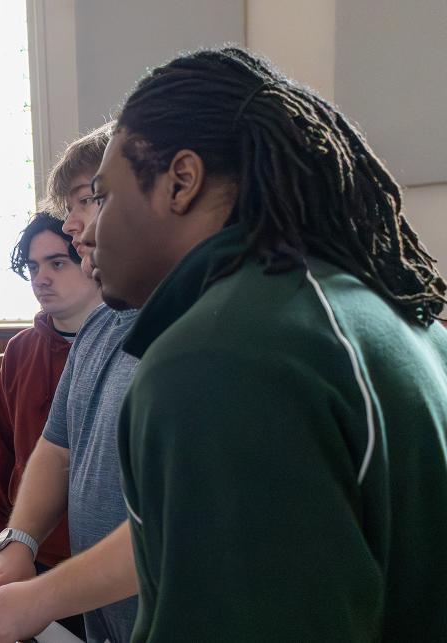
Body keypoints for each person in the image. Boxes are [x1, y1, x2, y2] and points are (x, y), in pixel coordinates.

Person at [89, 46, 447, 640]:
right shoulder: (391, 309)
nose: (88, 230)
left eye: (103, 196)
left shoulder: (215, 361)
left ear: (180, 182)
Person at [0, 122, 142, 643]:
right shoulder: (102, 327)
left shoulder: (202, 332)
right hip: (105, 617)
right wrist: (16, 543)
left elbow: (177, 524)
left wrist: (42, 597)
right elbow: (55, 449)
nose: (72, 225)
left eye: (90, 199)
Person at [0, 210, 103, 637]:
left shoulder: (121, 345)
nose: (41, 279)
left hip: (101, 557)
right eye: (33, 267)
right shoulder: (19, 350)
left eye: (57, 263)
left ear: (89, 260)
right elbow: (2, 456)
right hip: (31, 550)